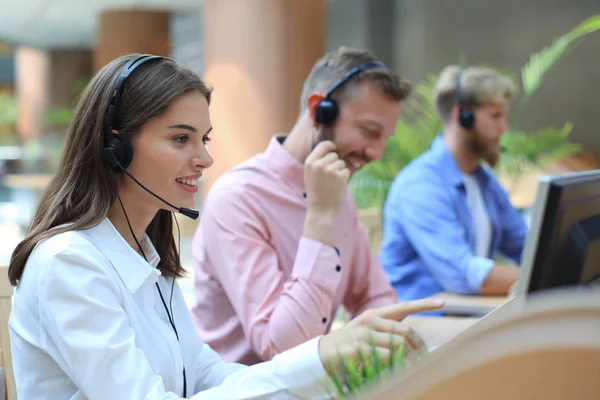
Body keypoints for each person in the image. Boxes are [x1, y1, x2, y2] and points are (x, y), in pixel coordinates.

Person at [7, 54, 443, 400]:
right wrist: (318, 359)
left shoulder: (146, 257)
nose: (205, 158)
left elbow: (203, 374)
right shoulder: (70, 265)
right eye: (181, 139)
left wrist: (322, 372)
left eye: (204, 139)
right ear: (115, 146)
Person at [190, 47, 421, 365]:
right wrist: (322, 216)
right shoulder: (237, 198)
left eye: (385, 138)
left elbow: (376, 298)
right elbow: (281, 348)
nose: (377, 153)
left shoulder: (338, 190)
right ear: (318, 110)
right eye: (369, 132)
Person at [379, 65, 529, 304]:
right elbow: (462, 275)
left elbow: (526, 244)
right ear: (463, 116)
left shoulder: (484, 181)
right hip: (422, 327)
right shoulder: (421, 185)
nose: (504, 127)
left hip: (463, 319)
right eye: (495, 116)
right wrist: (545, 279)